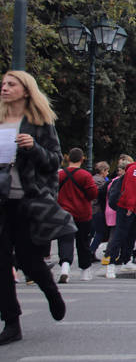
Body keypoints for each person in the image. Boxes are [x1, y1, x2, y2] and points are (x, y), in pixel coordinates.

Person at [0, 71, 74, 345]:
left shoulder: (39, 123)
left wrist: (33, 148)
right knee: (0, 264)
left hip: (28, 202)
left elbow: (55, 161)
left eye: (11, 84)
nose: (5, 88)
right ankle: (11, 322)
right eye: (3, 84)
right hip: (2, 202)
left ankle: (51, 291)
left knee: (30, 260)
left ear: (26, 90)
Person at [104, 151, 136, 277]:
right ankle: (111, 265)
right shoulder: (135, 170)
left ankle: (126, 261)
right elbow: (130, 188)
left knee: (131, 235)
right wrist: (131, 207)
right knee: (120, 235)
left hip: (132, 208)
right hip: (127, 208)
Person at [56, 147, 98, 283]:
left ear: (68, 159)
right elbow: (93, 194)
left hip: (64, 213)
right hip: (82, 214)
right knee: (83, 242)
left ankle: (65, 268)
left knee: (64, 240)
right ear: (82, 159)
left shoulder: (60, 174)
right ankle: (85, 272)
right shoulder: (85, 175)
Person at [88, 161, 110, 261]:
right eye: (107, 171)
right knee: (100, 232)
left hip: (91, 209)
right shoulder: (100, 181)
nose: (108, 173)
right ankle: (91, 251)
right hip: (97, 209)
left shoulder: (92, 179)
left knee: (91, 233)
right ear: (103, 170)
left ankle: (89, 252)